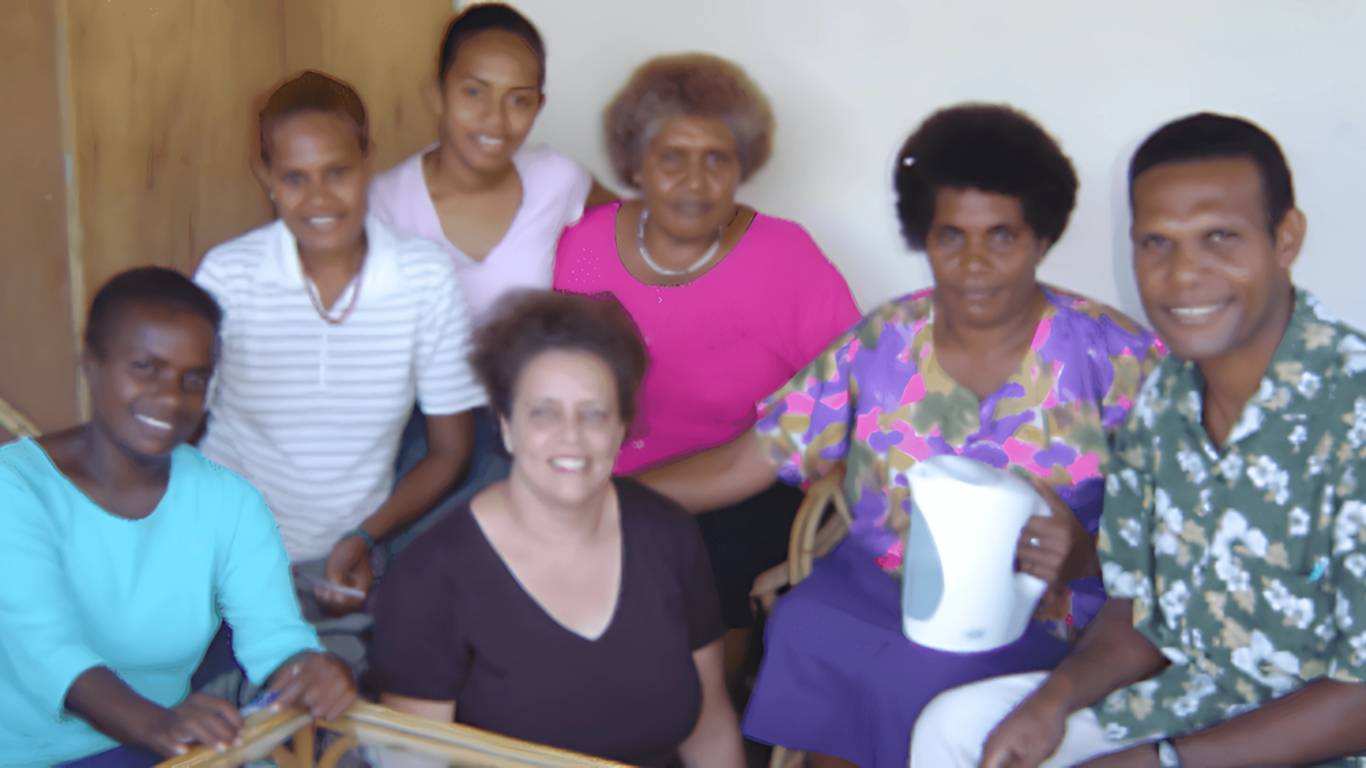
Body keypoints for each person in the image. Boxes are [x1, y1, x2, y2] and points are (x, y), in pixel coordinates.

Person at [640, 104, 1164, 767]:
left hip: (1035, 610)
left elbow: (1174, 540)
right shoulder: (885, 340)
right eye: (951, 236)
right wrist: (594, 496)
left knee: (929, 677)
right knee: (806, 623)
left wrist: (1086, 555)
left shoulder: (1114, 358)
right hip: (874, 588)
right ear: (924, 236)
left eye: (1001, 236)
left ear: (1041, 238)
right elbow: (745, 461)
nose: (974, 263)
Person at [913, 114, 1366, 767]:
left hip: (1320, 743)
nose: (1183, 274)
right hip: (1187, 704)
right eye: (1156, 242)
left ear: (1285, 238)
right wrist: (1053, 702)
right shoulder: (1164, 400)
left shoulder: (1349, 411)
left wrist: (1167, 763)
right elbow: (1138, 609)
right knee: (960, 728)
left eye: (1220, 237)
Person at [553, 53, 861, 679]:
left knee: (696, 556)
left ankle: (701, 723)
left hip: (746, 486)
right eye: (672, 157)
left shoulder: (786, 258)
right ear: (634, 164)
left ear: (742, 166)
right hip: (600, 480)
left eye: (716, 158)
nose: (694, 181)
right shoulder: (584, 246)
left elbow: (852, 398)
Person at [369, 291, 744, 768]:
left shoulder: (667, 535)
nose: (571, 436)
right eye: (543, 413)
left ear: (620, 429)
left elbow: (710, 731)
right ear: (506, 426)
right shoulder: (431, 577)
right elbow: (414, 763)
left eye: (594, 414)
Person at [0, 268, 354, 767]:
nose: (171, 398)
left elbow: (274, 634)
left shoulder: (229, 501)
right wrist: (157, 723)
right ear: (92, 364)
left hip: (171, 750)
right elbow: (46, 653)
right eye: (146, 367)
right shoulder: (14, 488)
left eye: (194, 379)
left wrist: (311, 667)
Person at [194, 71, 485, 674]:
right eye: (294, 178)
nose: (319, 199)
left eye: (337, 172)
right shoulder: (229, 276)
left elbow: (449, 452)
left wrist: (364, 536)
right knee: (223, 730)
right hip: (219, 560)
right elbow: (180, 434)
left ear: (367, 163)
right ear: (265, 177)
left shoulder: (422, 278)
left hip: (345, 565)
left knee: (328, 728)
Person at [370, 3, 615, 543]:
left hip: (530, 415)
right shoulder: (386, 203)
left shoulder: (558, 179)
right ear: (438, 93)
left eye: (518, 100)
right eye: (474, 92)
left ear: (538, 107)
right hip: (425, 421)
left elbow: (628, 243)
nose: (495, 120)